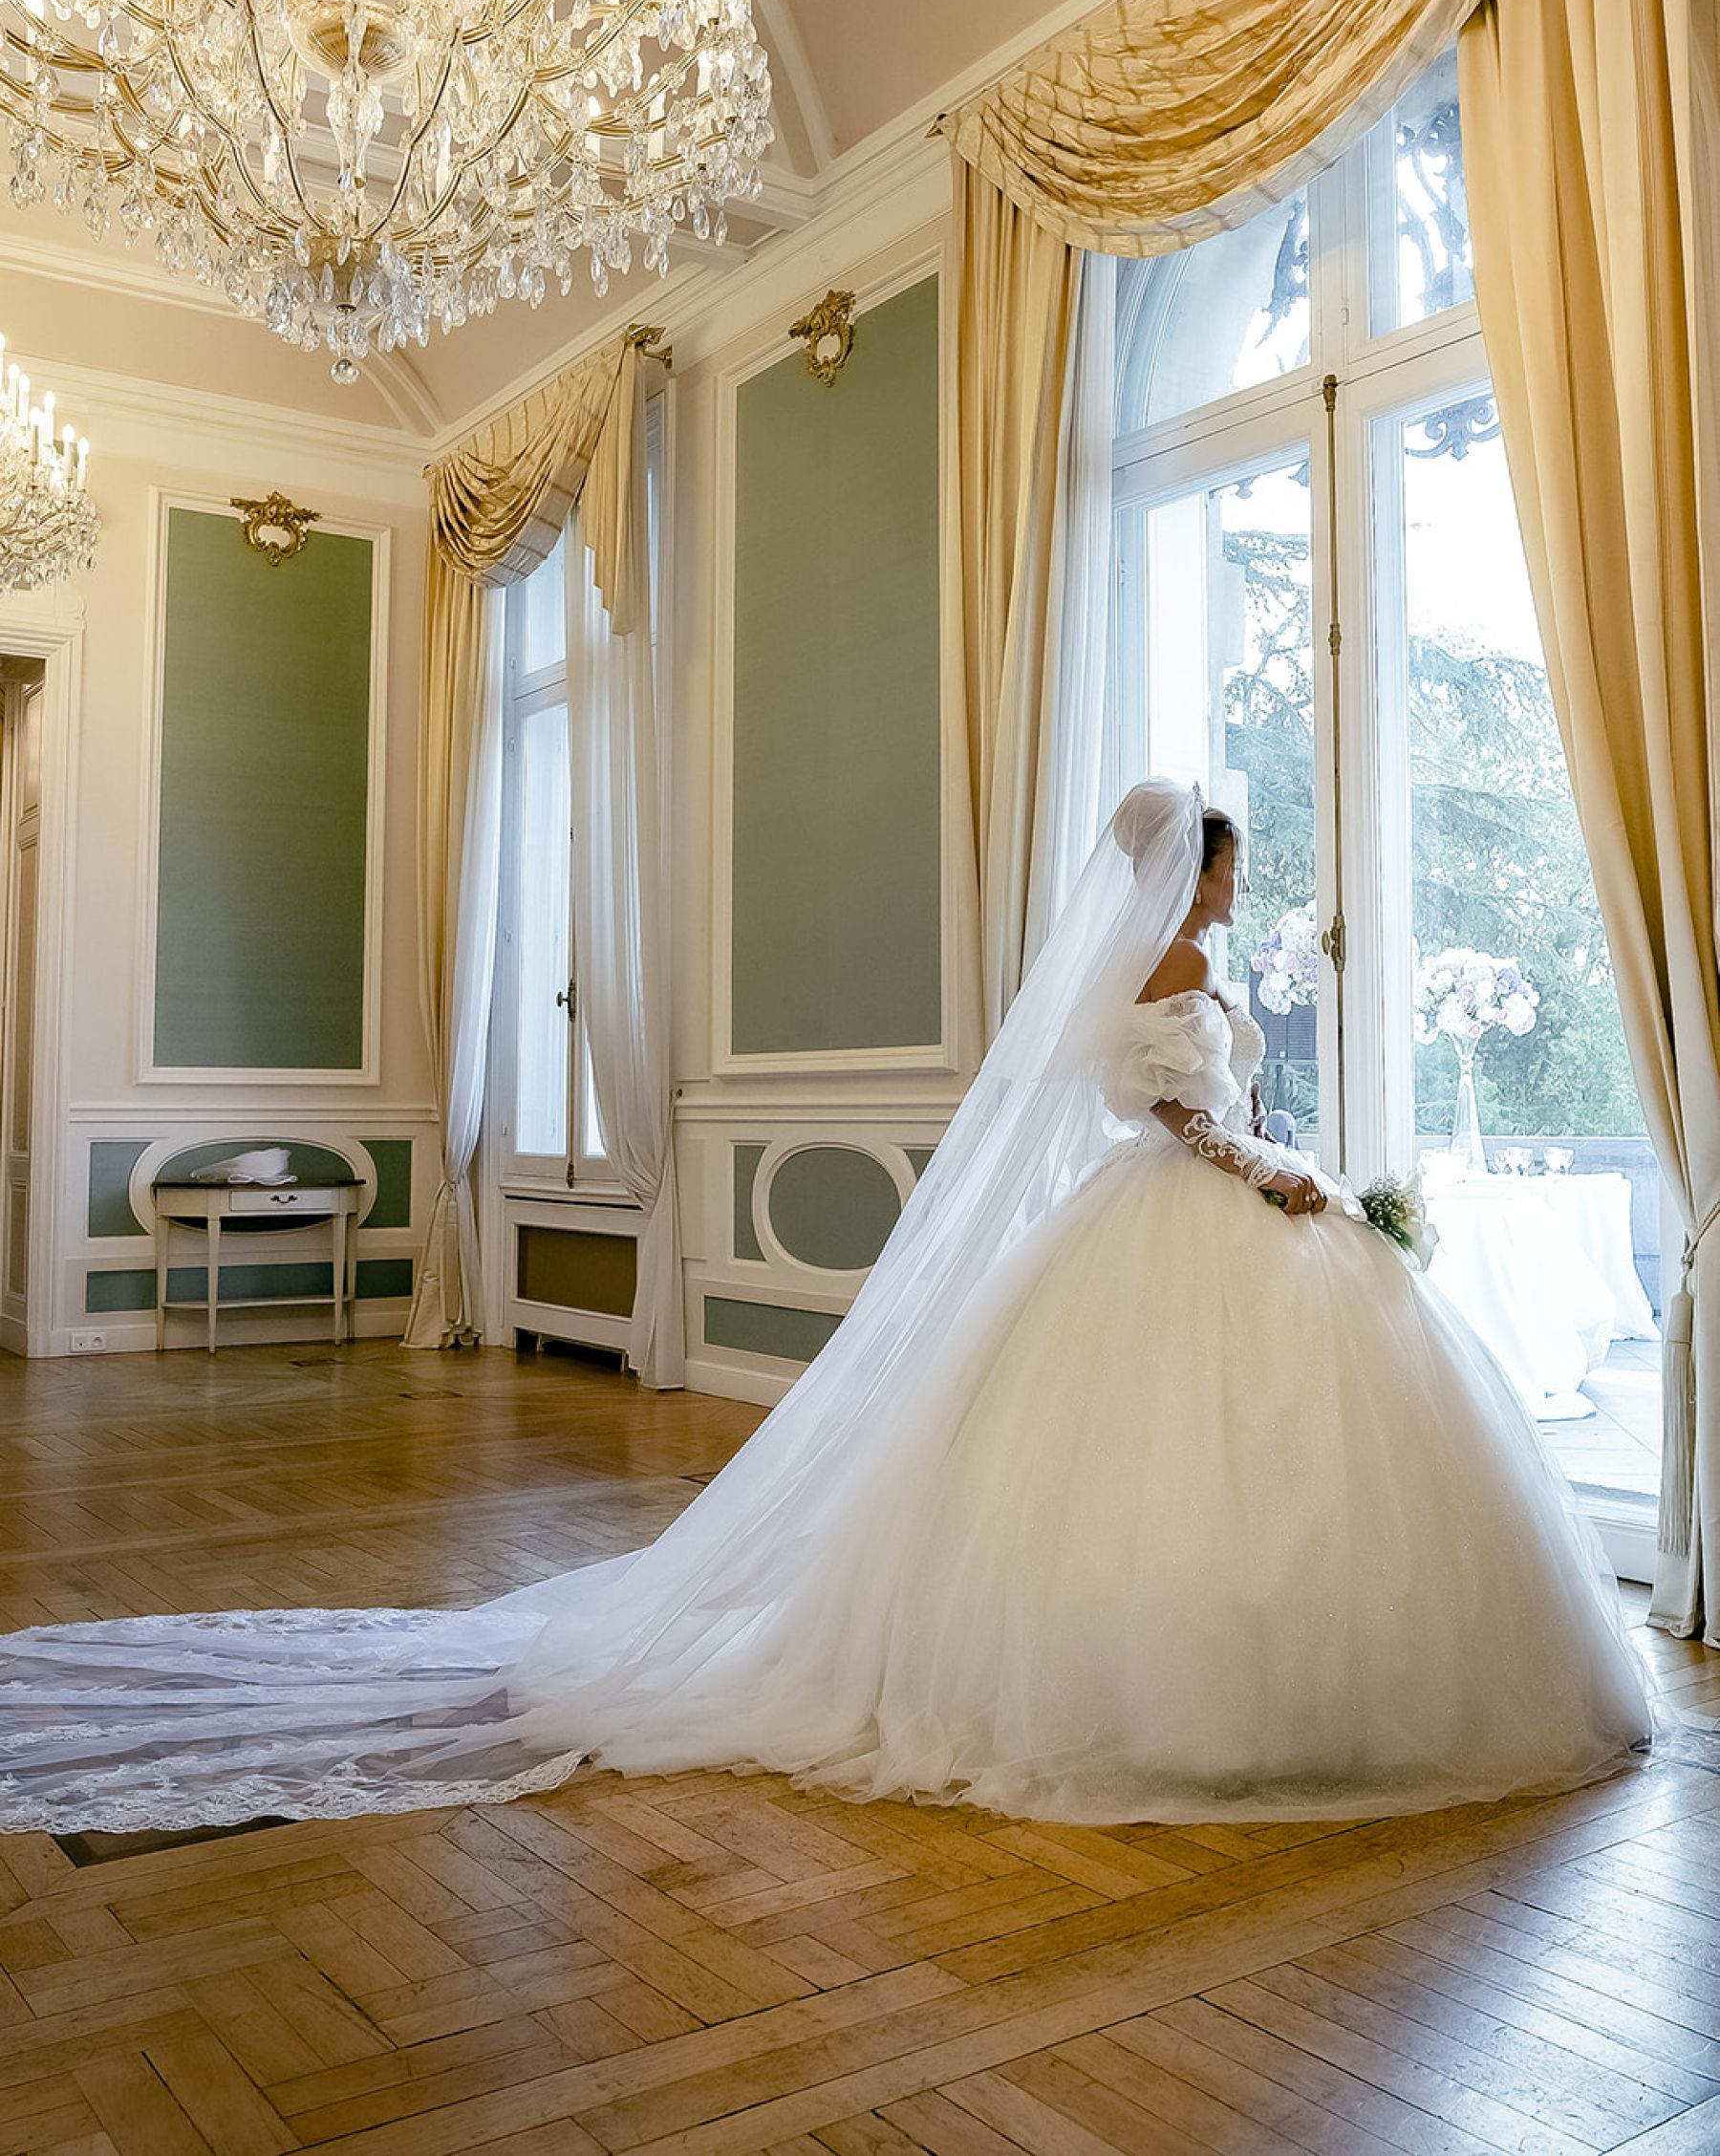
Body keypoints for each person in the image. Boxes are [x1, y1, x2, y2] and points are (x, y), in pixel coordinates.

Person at [0, 783, 1647, 1832]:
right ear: (1187, 877)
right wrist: (1274, 1174)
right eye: (1226, 864)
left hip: (1200, 1202)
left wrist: (1278, 1165)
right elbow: (1170, 1116)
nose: (1235, 884)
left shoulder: (1160, 974)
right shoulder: (1175, 978)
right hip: (1200, 1201)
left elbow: (1162, 1106)